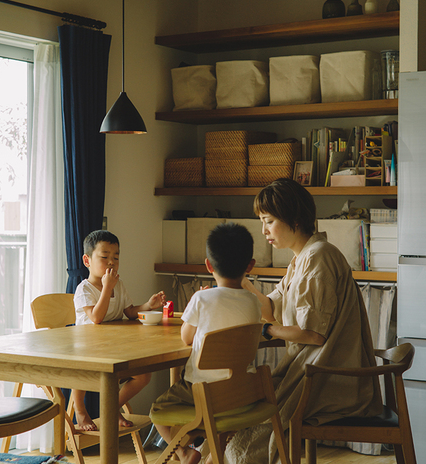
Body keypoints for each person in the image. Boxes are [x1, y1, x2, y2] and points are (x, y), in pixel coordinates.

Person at [224, 178, 382, 464]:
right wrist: (236, 280)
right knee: (241, 406)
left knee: (249, 417)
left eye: (269, 221)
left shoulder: (318, 258)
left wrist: (267, 330)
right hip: (312, 371)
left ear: (293, 219)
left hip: (330, 379)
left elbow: (313, 335)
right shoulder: (302, 258)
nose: (264, 231)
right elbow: (270, 306)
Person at [150, 222, 262, 464]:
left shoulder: (201, 298)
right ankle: (212, 454)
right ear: (250, 265)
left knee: (157, 412)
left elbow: (186, 337)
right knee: (217, 416)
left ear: (208, 265)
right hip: (243, 393)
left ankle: (184, 452)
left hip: (203, 394)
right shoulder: (254, 301)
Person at [73, 229, 166, 431]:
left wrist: (148, 305)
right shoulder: (84, 289)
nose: (111, 262)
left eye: (116, 257)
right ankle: (80, 411)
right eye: (104, 257)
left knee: (144, 375)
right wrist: (107, 288)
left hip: (114, 349)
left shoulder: (119, 285)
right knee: (79, 373)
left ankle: (112, 407)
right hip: (87, 350)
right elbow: (96, 318)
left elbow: (131, 312)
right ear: (87, 261)